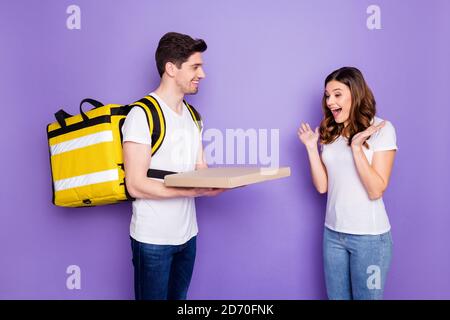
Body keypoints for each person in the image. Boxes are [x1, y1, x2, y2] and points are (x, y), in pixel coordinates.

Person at [122, 32, 224, 300]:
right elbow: (135, 184)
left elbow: (200, 167)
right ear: (170, 68)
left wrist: (221, 181)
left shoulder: (193, 116)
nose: (202, 74)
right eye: (195, 67)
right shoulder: (141, 114)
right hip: (153, 240)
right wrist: (193, 191)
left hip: (188, 235)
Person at [298, 66, 397, 300]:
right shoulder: (329, 131)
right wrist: (312, 149)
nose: (330, 101)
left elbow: (376, 190)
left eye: (337, 94)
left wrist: (356, 147)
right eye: (327, 95)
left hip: (369, 239)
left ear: (355, 93)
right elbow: (323, 187)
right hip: (333, 235)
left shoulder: (382, 129)